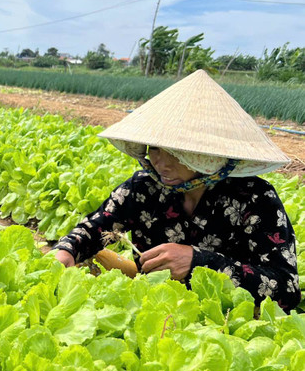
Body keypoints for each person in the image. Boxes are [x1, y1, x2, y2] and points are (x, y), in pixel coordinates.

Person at [53, 69, 301, 312]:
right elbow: (95, 228)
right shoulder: (143, 187)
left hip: (223, 317)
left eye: (176, 152)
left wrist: (199, 262)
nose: (161, 162)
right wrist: (68, 250)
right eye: (155, 148)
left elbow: (286, 289)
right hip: (152, 305)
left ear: (209, 155)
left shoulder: (255, 198)